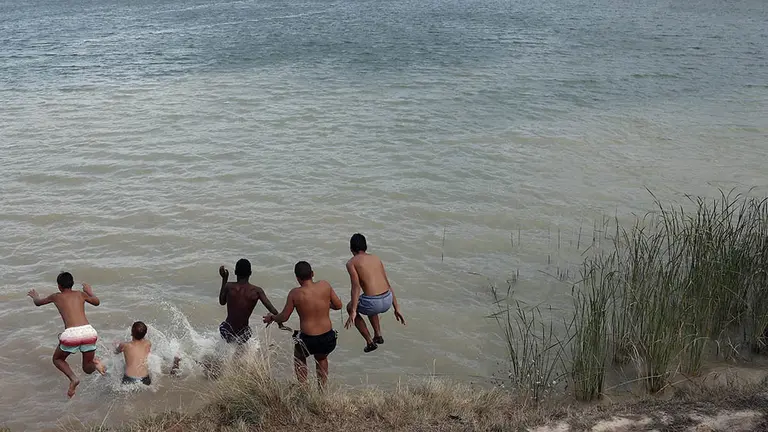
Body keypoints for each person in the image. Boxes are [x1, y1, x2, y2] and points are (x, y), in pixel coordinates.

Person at [263, 261, 342, 388]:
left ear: (297, 278)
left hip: (308, 340)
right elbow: (338, 306)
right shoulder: (325, 285)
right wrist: (325, 303)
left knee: (299, 356)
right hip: (328, 337)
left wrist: (272, 317)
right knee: (321, 358)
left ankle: (303, 388)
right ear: (312, 273)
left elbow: (284, 317)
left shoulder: (295, 293)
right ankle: (322, 390)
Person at [27, 272, 106, 398]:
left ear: (59, 286)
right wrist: (89, 291)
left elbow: (38, 302)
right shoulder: (80, 294)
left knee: (57, 359)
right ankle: (96, 364)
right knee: (87, 368)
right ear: (72, 284)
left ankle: (73, 378)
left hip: (71, 334)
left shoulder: (56, 296)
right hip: (89, 332)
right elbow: (97, 302)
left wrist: (35, 296)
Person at [344, 233, 405, 353]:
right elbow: (387, 283)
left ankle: (369, 342)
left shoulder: (351, 263)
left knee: (350, 307)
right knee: (368, 299)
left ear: (351, 249)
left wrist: (353, 311)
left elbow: (356, 287)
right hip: (387, 299)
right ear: (365, 246)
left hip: (373, 303)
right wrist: (396, 308)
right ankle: (378, 335)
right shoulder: (376, 258)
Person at [218, 258, 285, 345]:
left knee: (227, 347)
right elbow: (272, 310)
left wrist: (224, 278)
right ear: (250, 273)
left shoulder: (229, 286)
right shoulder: (257, 291)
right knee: (240, 347)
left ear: (235, 272)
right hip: (243, 333)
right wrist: (280, 324)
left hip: (227, 330)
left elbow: (222, 302)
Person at [115, 321, 152, 386]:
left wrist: (115, 345)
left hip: (130, 378)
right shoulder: (148, 343)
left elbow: (116, 352)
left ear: (131, 333)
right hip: (145, 378)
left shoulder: (124, 345)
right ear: (145, 333)